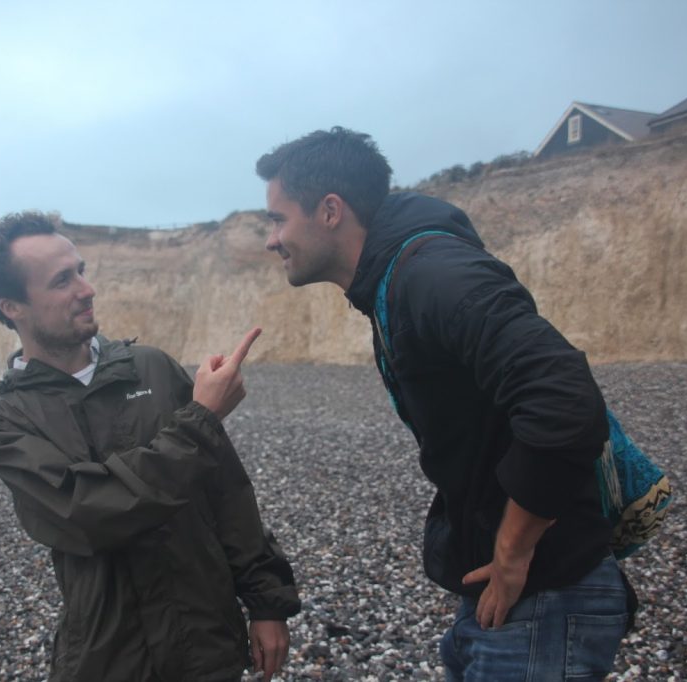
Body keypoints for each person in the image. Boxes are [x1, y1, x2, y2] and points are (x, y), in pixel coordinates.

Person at [256, 128, 632, 680]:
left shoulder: (431, 275)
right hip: (516, 593)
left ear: (331, 210)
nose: (271, 240)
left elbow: (562, 394)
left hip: (546, 594)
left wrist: (513, 549)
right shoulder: (395, 281)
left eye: (277, 219)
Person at [0, 211, 300, 681]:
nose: (87, 289)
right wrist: (201, 421)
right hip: (110, 659)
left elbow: (227, 494)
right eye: (63, 280)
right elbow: (89, 512)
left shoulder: (153, 369)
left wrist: (268, 603)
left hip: (207, 645)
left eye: (81, 270)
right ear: (12, 306)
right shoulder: (3, 424)